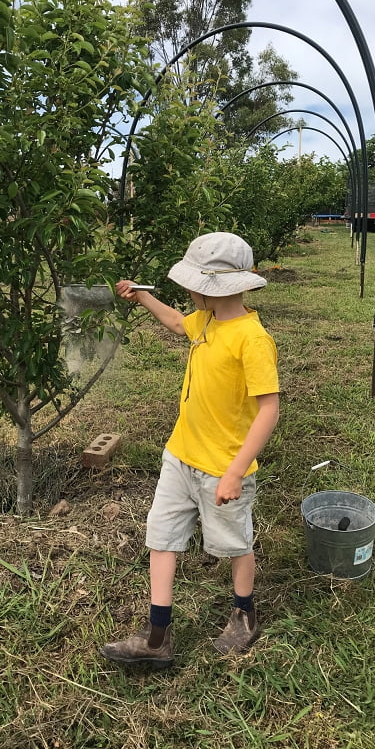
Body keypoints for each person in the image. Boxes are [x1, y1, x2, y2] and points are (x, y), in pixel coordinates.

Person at [99, 232, 280, 666]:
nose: (187, 291)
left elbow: (269, 409)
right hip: (180, 456)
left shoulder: (251, 339)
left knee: (235, 543)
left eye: (192, 284)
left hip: (222, 466)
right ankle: (157, 634)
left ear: (214, 286)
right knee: (161, 537)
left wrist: (236, 471)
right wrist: (142, 297)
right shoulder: (208, 320)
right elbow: (178, 323)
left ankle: (245, 616)